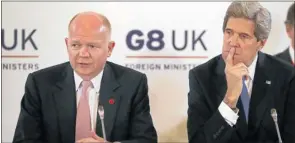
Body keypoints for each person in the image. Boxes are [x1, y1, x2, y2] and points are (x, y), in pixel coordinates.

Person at [13, 11, 157, 143]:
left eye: (92, 46)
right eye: (75, 45)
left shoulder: (132, 84)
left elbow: (146, 140)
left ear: (109, 48)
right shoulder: (40, 83)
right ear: (67, 44)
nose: (83, 53)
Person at [187, 1, 295, 143]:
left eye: (243, 36)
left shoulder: (285, 75)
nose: (233, 42)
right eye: (229, 32)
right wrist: (229, 100)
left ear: (261, 43)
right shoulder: (201, 77)